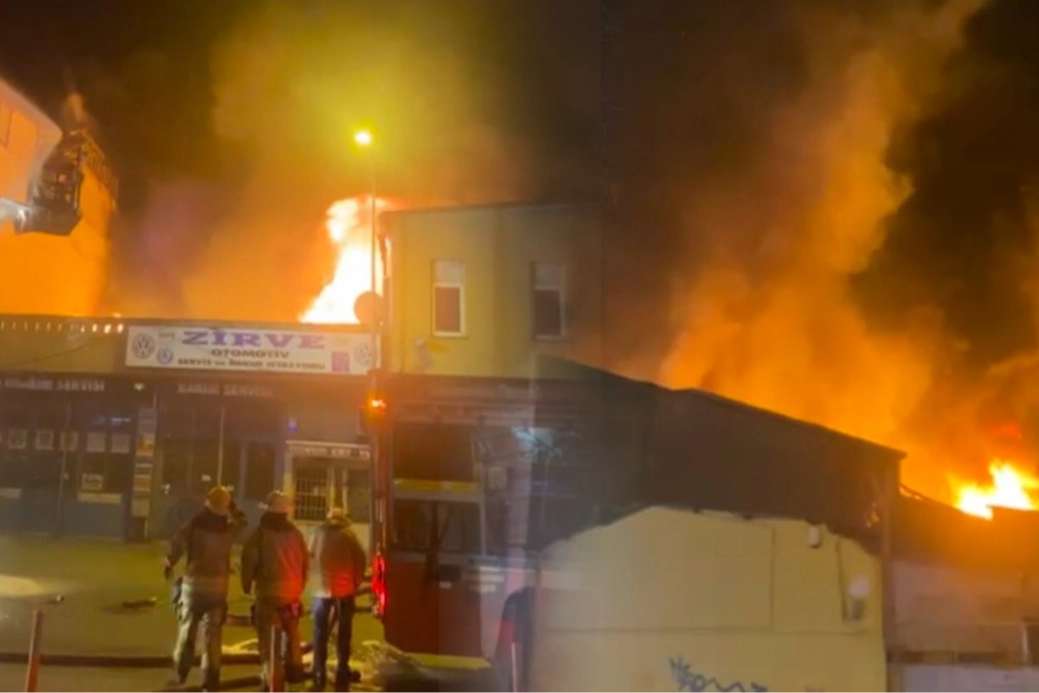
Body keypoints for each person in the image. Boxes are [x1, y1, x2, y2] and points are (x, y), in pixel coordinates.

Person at [164, 486, 238, 693]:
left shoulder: (195, 523)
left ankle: (180, 673)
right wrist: (232, 507)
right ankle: (211, 681)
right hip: (219, 587)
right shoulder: (229, 527)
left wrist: (169, 563)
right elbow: (242, 521)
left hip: (194, 585)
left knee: (187, 629)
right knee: (213, 636)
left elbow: (178, 543)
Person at [241, 490, 309, 688]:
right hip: (292, 594)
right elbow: (305, 563)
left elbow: (249, 561)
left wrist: (246, 585)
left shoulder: (260, 534)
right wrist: (299, 587)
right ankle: (296, 672)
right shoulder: (296, 534)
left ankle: (272, 678)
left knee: (268, 639)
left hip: (269, 594)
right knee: (293, 632)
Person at [310, 507, 368, 691]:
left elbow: (309, 557)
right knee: (344, 631)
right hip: (345, 589)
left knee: (320, 631)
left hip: (320, 589)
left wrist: (313, 581)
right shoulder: (349, 535)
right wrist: (355, 583)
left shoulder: (318, 533)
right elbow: (360, 560)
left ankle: (318, 671)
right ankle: (342, 670)